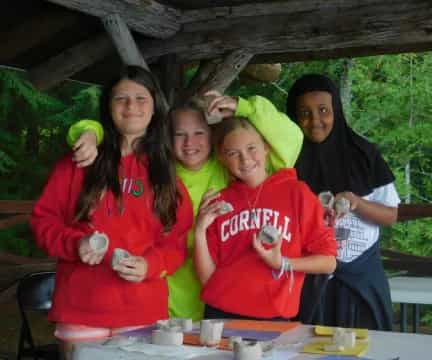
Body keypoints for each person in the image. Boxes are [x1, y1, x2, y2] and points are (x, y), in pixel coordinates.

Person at [65, 92, 304, 321]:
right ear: (167, 138)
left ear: (212, 136)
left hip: (222, 301)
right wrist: (91, 132)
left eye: (199, 132)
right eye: (180, 134)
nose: (190, 143)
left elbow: (292, 139)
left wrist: (245, 107)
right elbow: (120, 136)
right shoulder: (155, 171)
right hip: (165, 296)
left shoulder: (230, 166)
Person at [30, 66, 193, 359]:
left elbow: (177, 241)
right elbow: (44, 220)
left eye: (141, 98)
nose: (131, 106)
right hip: (81, 304)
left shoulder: (167, 174)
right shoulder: (79, 161)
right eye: (121, 98)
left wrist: (151, 265)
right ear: (108, 107)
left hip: (142, 306)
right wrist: (74, 244)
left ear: (154, 106)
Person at [286, 73, 401, 330]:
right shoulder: (286, 160)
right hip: (310, 280)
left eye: (323, 110)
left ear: (336, 109)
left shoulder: (364, 153)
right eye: (304, 112)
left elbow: (391, 215)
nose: (315, 120)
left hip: (362, 278)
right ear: (293, 117)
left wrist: (356, 202)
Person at [194, 116, 337, 320]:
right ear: (222, 158)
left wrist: (283, 263)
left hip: (274, 318)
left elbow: (328, 262)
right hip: (221, 314)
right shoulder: (220, 201)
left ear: (266, 147)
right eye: (233, 153)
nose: (245, 159)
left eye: (252, 148)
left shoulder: (297, 193)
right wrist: (200, 230)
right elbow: (207, 279)